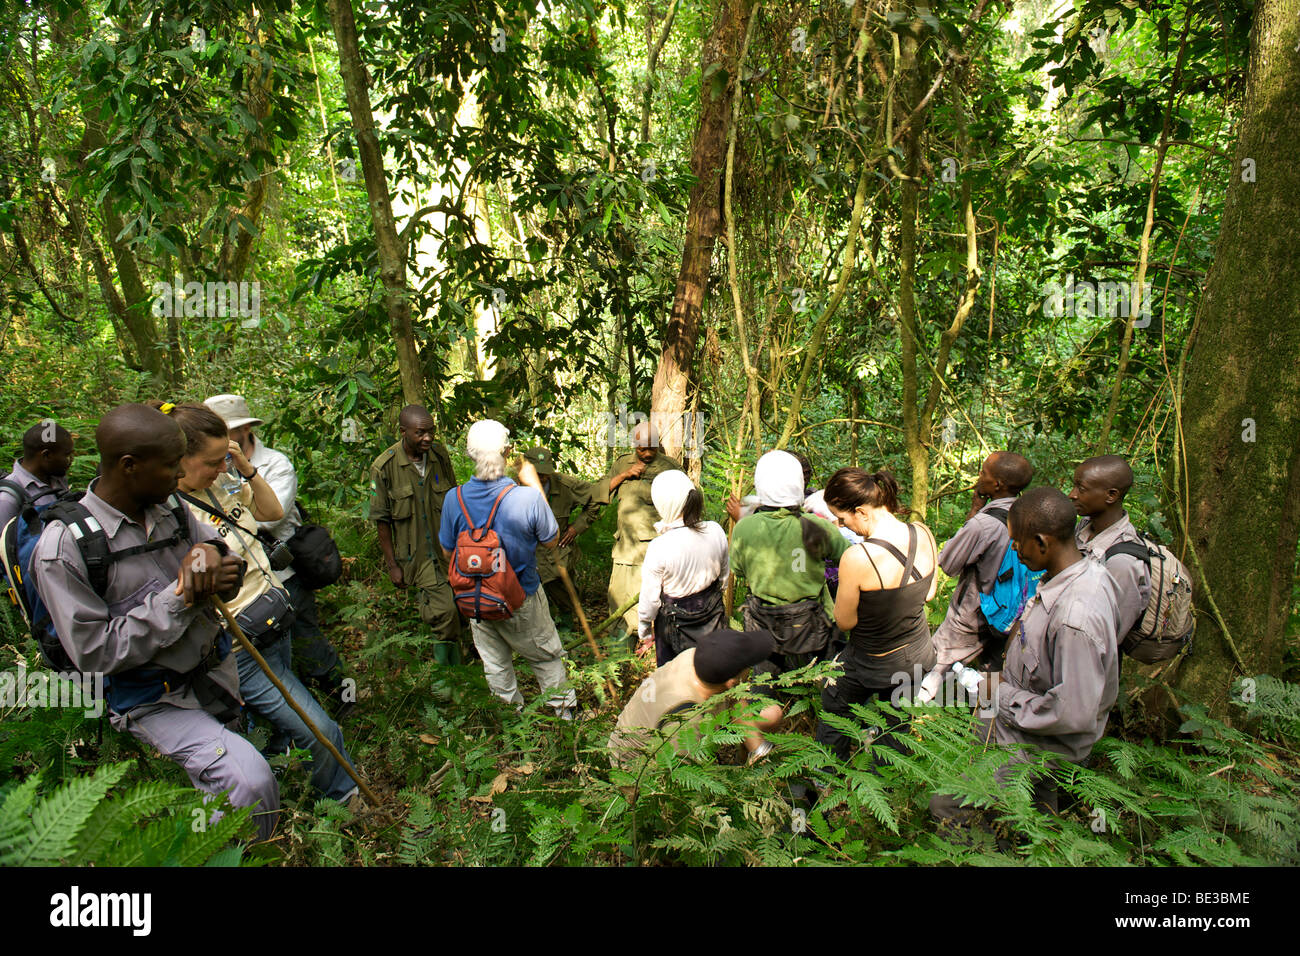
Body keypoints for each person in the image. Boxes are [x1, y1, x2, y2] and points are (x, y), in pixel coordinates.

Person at [30, 404, 280, 839]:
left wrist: (215, 561)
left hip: (213, 673)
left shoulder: (172, 509)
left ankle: (209, 846)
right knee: (249, 779)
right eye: (170, 466)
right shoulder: (63, 549)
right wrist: (181, 597)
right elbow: (95, 652)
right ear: (130, 466)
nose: (179, 476)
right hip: (152, 697)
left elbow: (224, 560)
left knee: (218, 792)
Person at [162, 401, 357, 803]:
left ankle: (293, 790)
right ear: (179, 461)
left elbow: (271, 511)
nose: (220, 466)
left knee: (282, 724)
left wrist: (242, 469)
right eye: (211, 461)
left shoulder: (224, 481)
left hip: (273, 616)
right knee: (319, 728)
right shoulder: (169, 517)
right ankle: (342, 798)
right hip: (240, 645)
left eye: (224, 456)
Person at [930, 488, 1120, 825]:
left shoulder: (1076, 616)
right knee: (1033, 820)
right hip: (1020, 725)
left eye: (1017, 543)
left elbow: (1073, 713)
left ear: (1043, 543)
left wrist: (998, 696)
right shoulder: (1074, 575)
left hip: (1041, 745)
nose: (1014, 551)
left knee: (948, 805)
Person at [206, 393, 345, 699]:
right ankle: (291, 702)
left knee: (306, 635)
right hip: (244, 587)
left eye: (228, 432)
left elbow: (269, 518)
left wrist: (244, 477)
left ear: (245, 430)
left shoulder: (274, 464)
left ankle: (338, 693)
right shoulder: (209, 471)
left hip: (284, 573)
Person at [438, 420, 575, 717]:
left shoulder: (453, 499)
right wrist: (534, 485)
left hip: (475, 599)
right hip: (521, 596)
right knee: (546, 657)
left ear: (470, 455)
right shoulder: (527, 498)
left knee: (496, 664)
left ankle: (511, 722)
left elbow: (448, 551)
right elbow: (551, 541)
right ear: (508, 451)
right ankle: (564, 718)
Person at [814, 468, 939, 762]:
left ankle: (825, 779)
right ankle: (885, 786)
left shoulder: (858, 557)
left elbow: (845, 621)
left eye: (843, 519)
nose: (843, 526)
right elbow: (930, 592)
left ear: (861, 512)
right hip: (916, 655)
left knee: (835, 708)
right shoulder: (922, 532)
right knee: (895, 727)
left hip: (870, 659)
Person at [729, 450, 851, 677]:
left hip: (764, 622)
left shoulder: (744, 527)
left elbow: (737, 569)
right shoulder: (816, 526)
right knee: (832, 677)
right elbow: (849, 558)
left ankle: (767, 705)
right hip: (814, 622)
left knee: (764, 685)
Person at [608, 628, 783, 768]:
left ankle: (745, 760)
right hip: (638, 766)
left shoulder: (697, 659)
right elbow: (676, 783)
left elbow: (734, 697)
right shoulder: (686, 720)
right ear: (731, 681)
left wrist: (760, 751)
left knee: (773, 714)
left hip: (677, 732)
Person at [369, 405, 461, 665]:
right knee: (444, 611)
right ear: (403, 432)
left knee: (461, 606)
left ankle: (460, 665)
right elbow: (382, 521)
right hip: (417, 557)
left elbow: (453, 499)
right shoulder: (383, 467)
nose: (428, 438)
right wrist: (392, 565)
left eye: (431, 432)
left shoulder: (439, 456)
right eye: (421, 433)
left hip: (449, 550)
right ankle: (447, 677)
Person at [930, 452, 1034, 674]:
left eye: (983, 472)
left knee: (929, 673)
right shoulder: (1028, 516)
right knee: (991, 681)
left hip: (971, 618)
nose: (979, 475)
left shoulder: (983, 524)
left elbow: (948, 563)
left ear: (997, 484)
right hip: (1010, 616)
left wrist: (975, 511)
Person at [593, 421, 683, 645]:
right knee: (618, 595)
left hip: (653, 547)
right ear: (634, 445)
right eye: (642, 448)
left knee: (645, 598)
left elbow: (684, 505)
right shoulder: (622, 464)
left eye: (652, 448)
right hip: (624, 547)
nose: (647, 453)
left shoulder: (670, 468)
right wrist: (624, 475)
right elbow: (602, 492)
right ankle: (620, 646)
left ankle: (642, 642)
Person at [636, 470, 729, 665]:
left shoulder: (659, 547)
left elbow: (650, 602)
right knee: (712, 674)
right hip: (712, 616)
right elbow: (723, 578)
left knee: (675, 683)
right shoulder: (715, 531)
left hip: (674, 624)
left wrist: (645, 632)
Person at [1068, 455, 1151, 640]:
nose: (1072, 494)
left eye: (1081, 489)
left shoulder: (1123, 562)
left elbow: (1108, 636)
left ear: (1111, 495)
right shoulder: (1083, 528)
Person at [522, 446, 601, 623]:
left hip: (556, 551)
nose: (543, 477)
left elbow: (596, 497)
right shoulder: (513, 485)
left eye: (546, 473)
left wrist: (576, 527)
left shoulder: (565, 485)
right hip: (525, 549)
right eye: (538, 473)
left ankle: (567, 622)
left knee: (563, 588)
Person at [0, 420, 75, 536]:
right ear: (47, 455)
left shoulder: (57, 479)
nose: (71, 460)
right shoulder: (8, 499)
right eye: (67, 455)